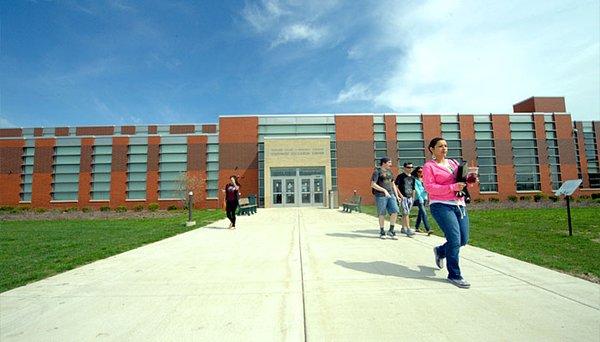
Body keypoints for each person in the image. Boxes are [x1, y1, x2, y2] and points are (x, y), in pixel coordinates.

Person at [423, 137, 473, 288]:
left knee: (463, 240)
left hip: (459, 204)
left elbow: (461, 180)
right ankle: (455, 275)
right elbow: (429, 188)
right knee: (454, 239)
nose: (444, 148)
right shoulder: (429, 167)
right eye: (440, 146)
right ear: (432, 149)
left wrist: (470, 180)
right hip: (441, 205)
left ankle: (440, 251)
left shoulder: (453, 163)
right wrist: (452, 188)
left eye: (445, 145)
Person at [371, 157, 401, 240]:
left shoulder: (390, 172)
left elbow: (393, 184)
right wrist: (384, 190)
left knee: (395, 211)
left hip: (391, 194)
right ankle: (382, 231)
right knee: (382, 213)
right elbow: (373, 184)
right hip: (380, 195)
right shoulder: (377, 172)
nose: (391, 164)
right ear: (383, 163)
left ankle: (391, 230)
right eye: (389, 162)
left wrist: (397, 195)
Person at [394, 162, 416, 237]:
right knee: (406, 213)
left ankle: (403, 228)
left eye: (411, 167)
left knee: (405, 213)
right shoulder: (400, 176)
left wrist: (413, 198)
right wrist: (400, 195)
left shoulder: (413, 177)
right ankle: (408, 229)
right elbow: (395, 186)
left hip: (410, 197)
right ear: (404, 168)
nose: (410, 169)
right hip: (403, 197)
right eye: (408, 167)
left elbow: (413, 188)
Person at [412, 166, 432, 235]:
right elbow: (417, 190)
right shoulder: (415, 180)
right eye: (419, 171)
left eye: (422, 171)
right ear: (416, 172)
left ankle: (417, 227)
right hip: (419, 199)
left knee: (420, 213)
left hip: (425, 198)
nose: (421, 173)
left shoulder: (425, 179)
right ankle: (428, 229)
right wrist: (420, 199)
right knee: (424, 212)